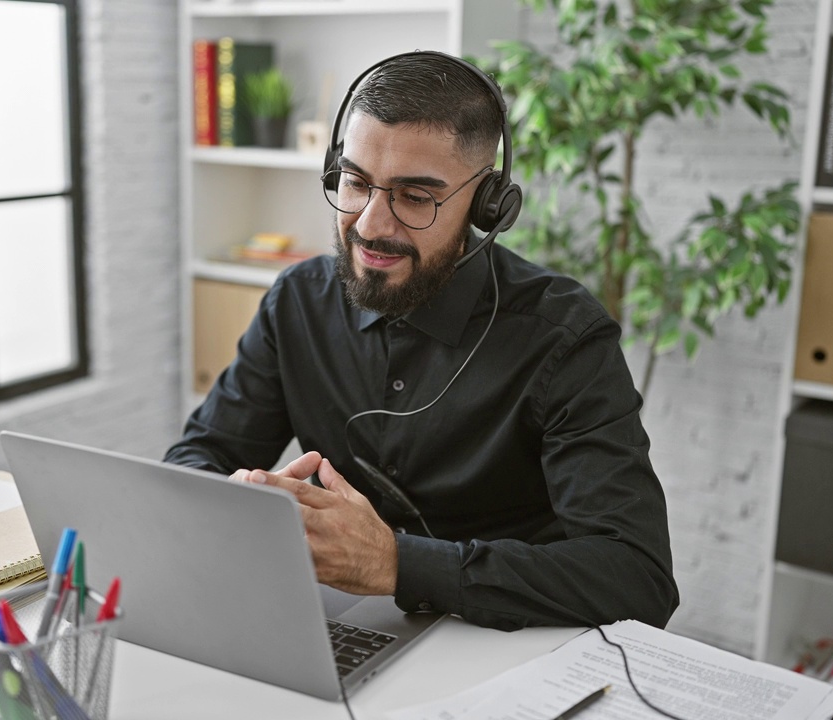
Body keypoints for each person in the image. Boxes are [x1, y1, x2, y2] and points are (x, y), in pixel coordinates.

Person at [165, 52, 679, 631]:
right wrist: (232, 496)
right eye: (356, 182)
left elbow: (639, 580)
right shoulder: (297, 301)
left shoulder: (566, 336)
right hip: (344, 622)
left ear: (489, 205)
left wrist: (397, 564)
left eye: (415, 197)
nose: (370, 224)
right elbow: (196, 456)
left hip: (507, 641)